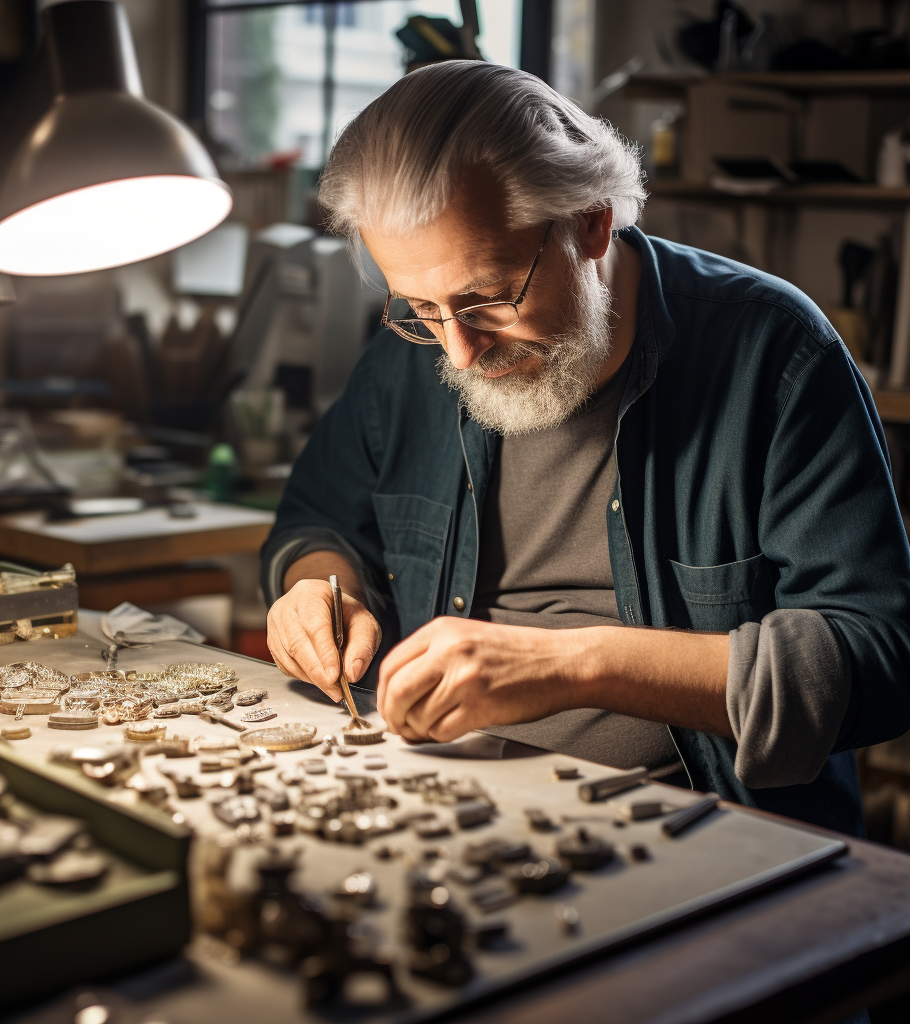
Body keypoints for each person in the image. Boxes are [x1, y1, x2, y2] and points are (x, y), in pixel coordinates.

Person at [260, 61, 910, 835]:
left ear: (593, 222)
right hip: (430, 796)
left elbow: (881, 656)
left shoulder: (775, 351)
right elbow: (318, 521)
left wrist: (572, 664)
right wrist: (317, 592)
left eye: (490, 296)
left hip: (691, 828)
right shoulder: (415, 353)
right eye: (422, 308)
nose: (458, 352)